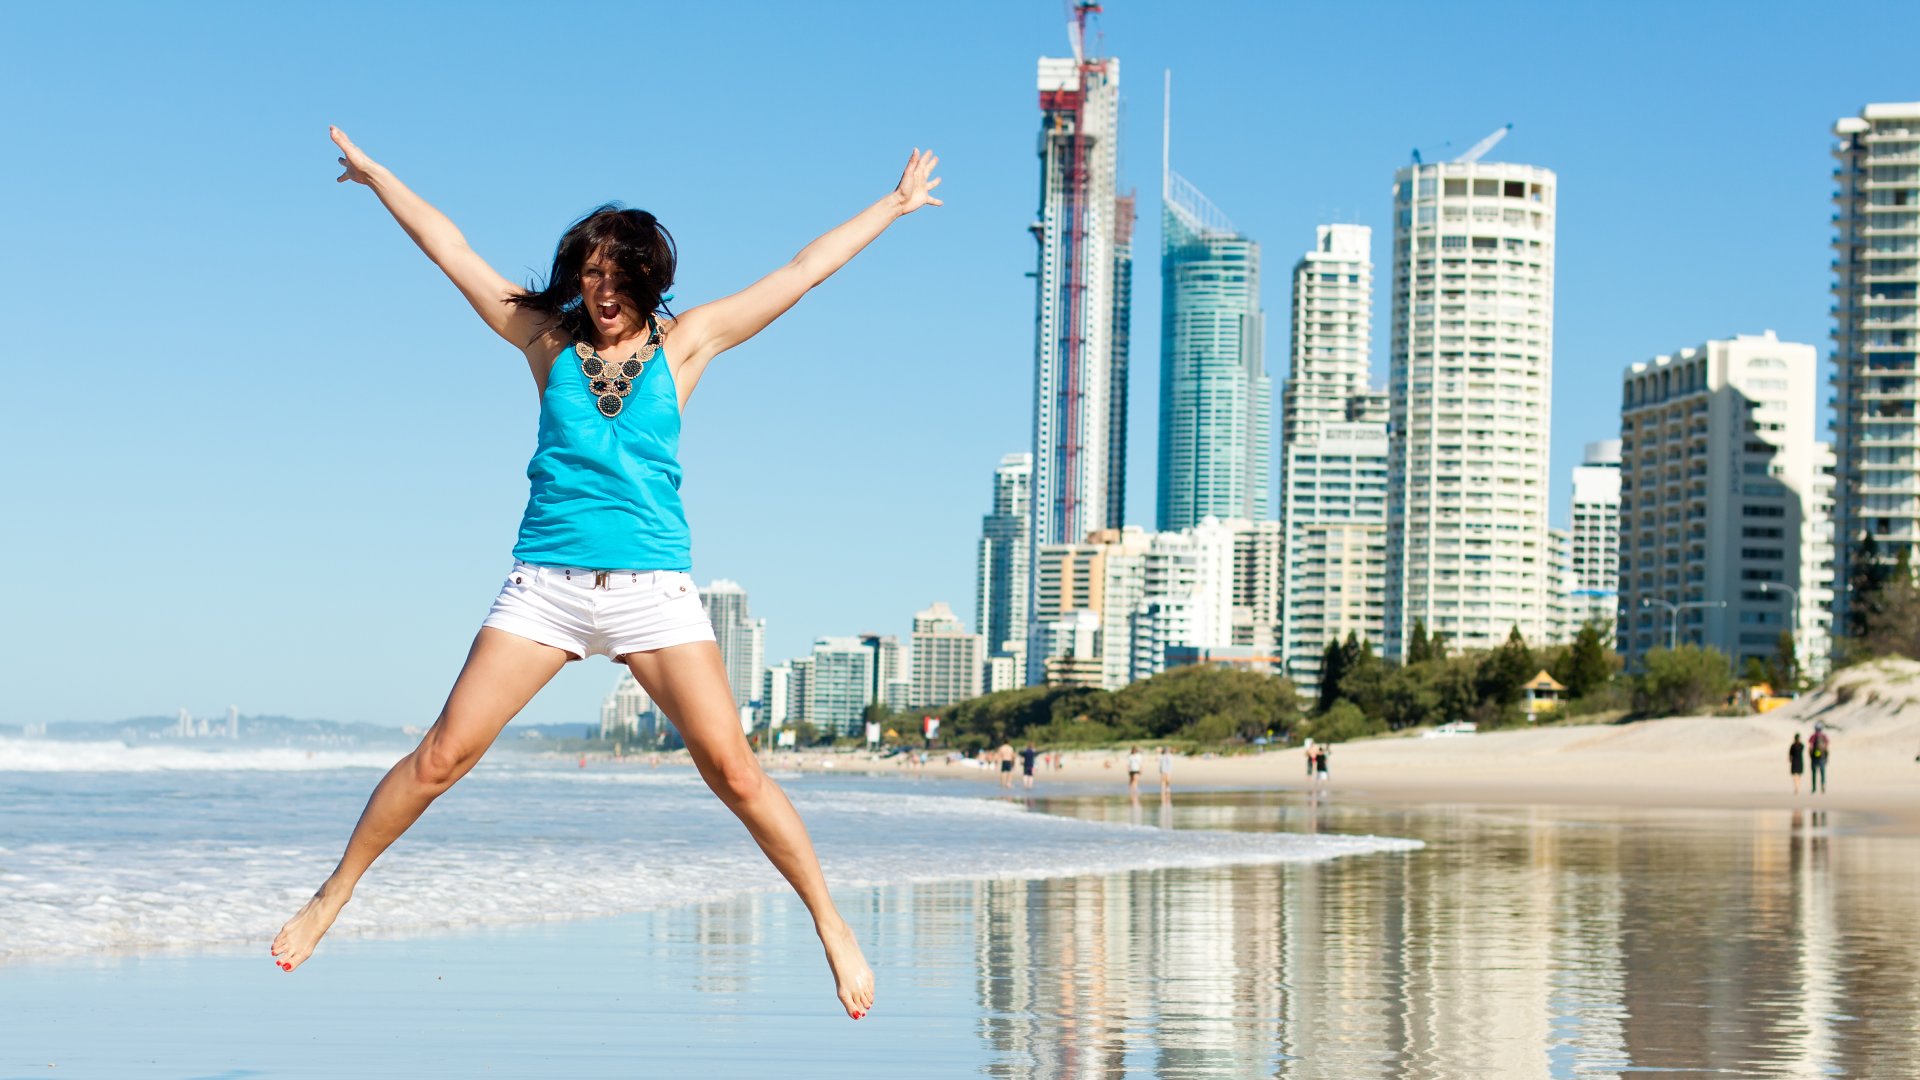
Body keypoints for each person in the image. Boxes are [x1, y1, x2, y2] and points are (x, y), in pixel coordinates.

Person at [270, 127, 943, 1022]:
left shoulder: (689, 344)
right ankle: (335, 894)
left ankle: (829, 922)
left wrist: (892, 209)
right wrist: (379, 176)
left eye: (620, 279)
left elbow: (800, 269)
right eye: (591, 275)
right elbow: (450, 249)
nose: (605, 293)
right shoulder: (543, 339)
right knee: (442, 755)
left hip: (651, 592)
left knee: (734, 773)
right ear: (575, 277)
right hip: (545, 584)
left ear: (648, 282)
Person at [1809, 723, 1830, 794]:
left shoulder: (1813, 736)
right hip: (1822, 757)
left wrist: (1811, 756)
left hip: (1814, 757)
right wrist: (1827, 756)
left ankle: (1814, 788)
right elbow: (1826, 747)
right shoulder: (1824, 736)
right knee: (1822, 772)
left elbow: (1810, 747)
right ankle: (1823, 785)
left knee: (1814, 773)